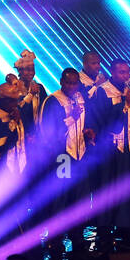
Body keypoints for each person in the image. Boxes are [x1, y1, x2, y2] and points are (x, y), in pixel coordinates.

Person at [85, 58, 130, 236]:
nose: (126, 76)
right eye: (121, 72)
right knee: (108, 188)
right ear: (112, 72)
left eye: (127, 72)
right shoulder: (102, 91)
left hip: (129, 145)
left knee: (127, 188)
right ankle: (105, 231)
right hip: (109, 147)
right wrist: (124, 103)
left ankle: (126, 228)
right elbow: (102, 120)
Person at [39, 68, 96, 235]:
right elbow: (49, 131)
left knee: (79, 193)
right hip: (62, 155)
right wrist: (72, 117)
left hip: (80, 152)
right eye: (68, 83)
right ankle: (55, 236)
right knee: (61, 194)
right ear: (61, 82)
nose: (71, 86)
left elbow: (85, 121)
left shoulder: (80, 98)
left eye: (74, 83)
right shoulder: (53, 101)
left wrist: (87, 131)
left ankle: (77, 233)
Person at [13, 50, 47, 145]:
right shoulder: (13, 89)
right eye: (27, 69)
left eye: (32, 69)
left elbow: (44, 111)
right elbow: (17, 113)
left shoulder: (39, 88)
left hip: (38, 136)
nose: (31, 73)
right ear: (20, 71)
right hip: (20, 136)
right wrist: (30, 95)